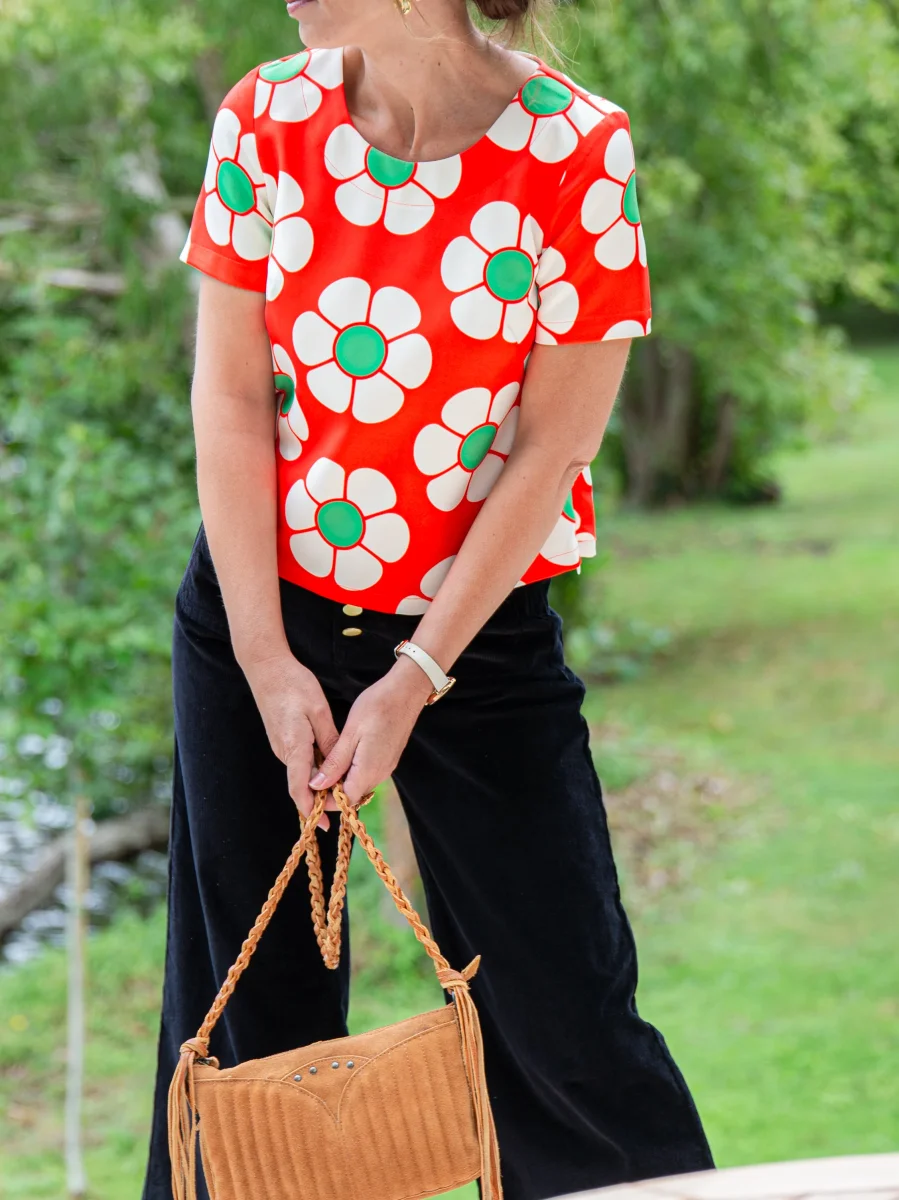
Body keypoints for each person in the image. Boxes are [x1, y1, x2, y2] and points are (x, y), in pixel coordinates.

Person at [142, 0, 714, 1196]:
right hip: (258, 616)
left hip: (474, 642)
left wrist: (414, 676)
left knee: (566, 1023)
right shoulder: (263, 116)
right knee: (245, 1034)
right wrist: (263, 660)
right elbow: (229, 401)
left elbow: (551, 448)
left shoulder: (573, 149)